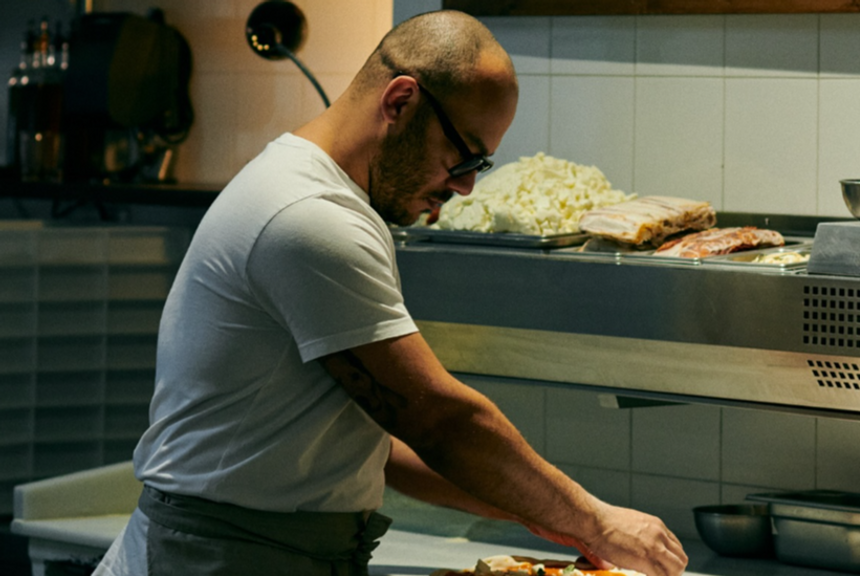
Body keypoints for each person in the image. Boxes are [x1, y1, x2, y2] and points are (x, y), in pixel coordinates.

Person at [94, 10, 688, 576]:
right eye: (464, 156)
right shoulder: (308, 217)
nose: (462, 187)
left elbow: (374, 443)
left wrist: (549, 514)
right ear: (400, 102)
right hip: (219, 556)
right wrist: (595, 518)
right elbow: (438, 419)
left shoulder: (324, 198)